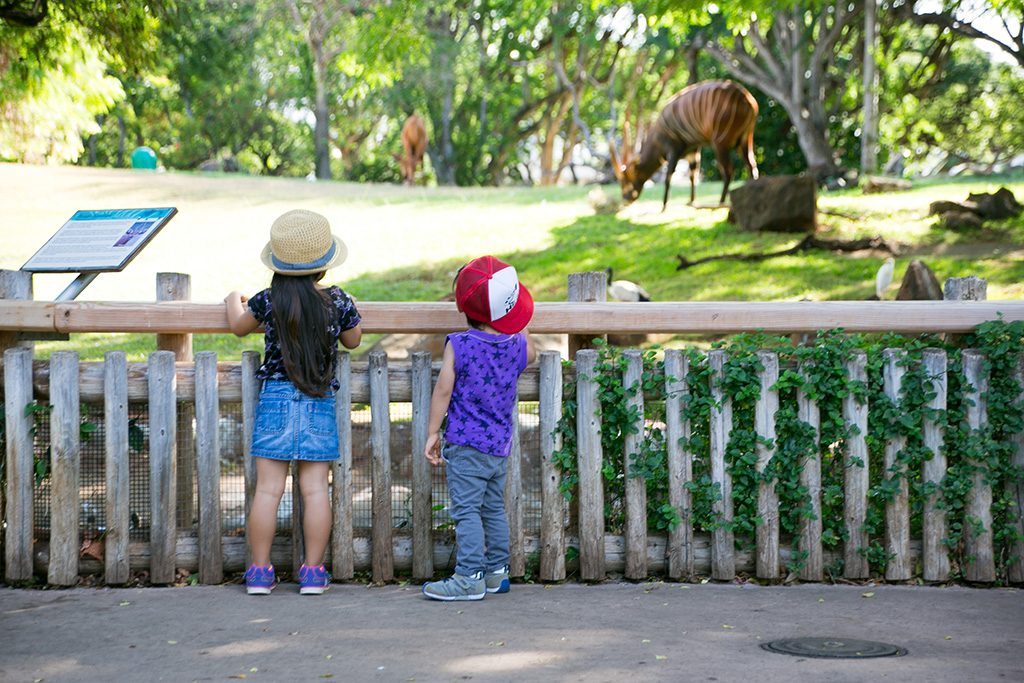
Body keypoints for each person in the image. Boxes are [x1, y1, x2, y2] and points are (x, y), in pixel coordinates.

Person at [224, 209, 362, 595]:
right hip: (318, 401)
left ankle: (259, 571)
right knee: (315, 490)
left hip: (276, 400)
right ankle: (313, 573)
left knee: (268, 491)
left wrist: (233, 298)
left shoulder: (270, 301)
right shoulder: (337, 301)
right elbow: (353, 340)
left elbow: (238, 326)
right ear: (324, 264)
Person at [422, 255, 536, 601]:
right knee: (492, 509)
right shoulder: (516, 345)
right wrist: (518, 317)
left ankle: (469, 577)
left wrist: (431, 432)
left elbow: (443, 389)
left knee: (467, 511)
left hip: (466, 444)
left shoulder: (460, 344)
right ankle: (496, 573)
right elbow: (529, 349)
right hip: (499, 445)